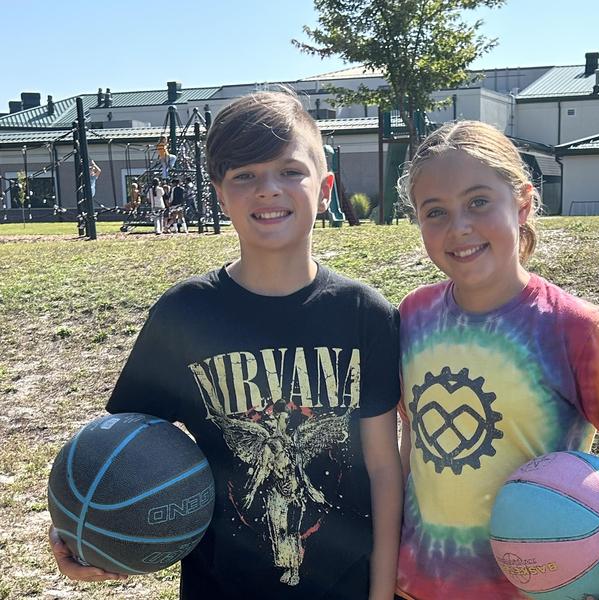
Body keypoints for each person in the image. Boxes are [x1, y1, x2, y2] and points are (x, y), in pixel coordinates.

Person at [48, 91, 403, 600]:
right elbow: (118, 456)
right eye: (244, 175)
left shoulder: (364, 314)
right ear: (219, 195)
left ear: (325, 189)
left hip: (345, 586)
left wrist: (382, 591)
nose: (268, 189)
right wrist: (81, 529)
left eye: (290, 171)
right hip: (219, 584)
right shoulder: (184, 314)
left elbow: (384, 468)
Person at [394, 121, 599, 600]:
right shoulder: (413, 315)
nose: (459, 227)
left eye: (478, 202)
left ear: (523, 203)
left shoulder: (575, 328)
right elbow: (412, 447)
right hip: (415, 586)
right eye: (435, 212)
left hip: (536, 591)